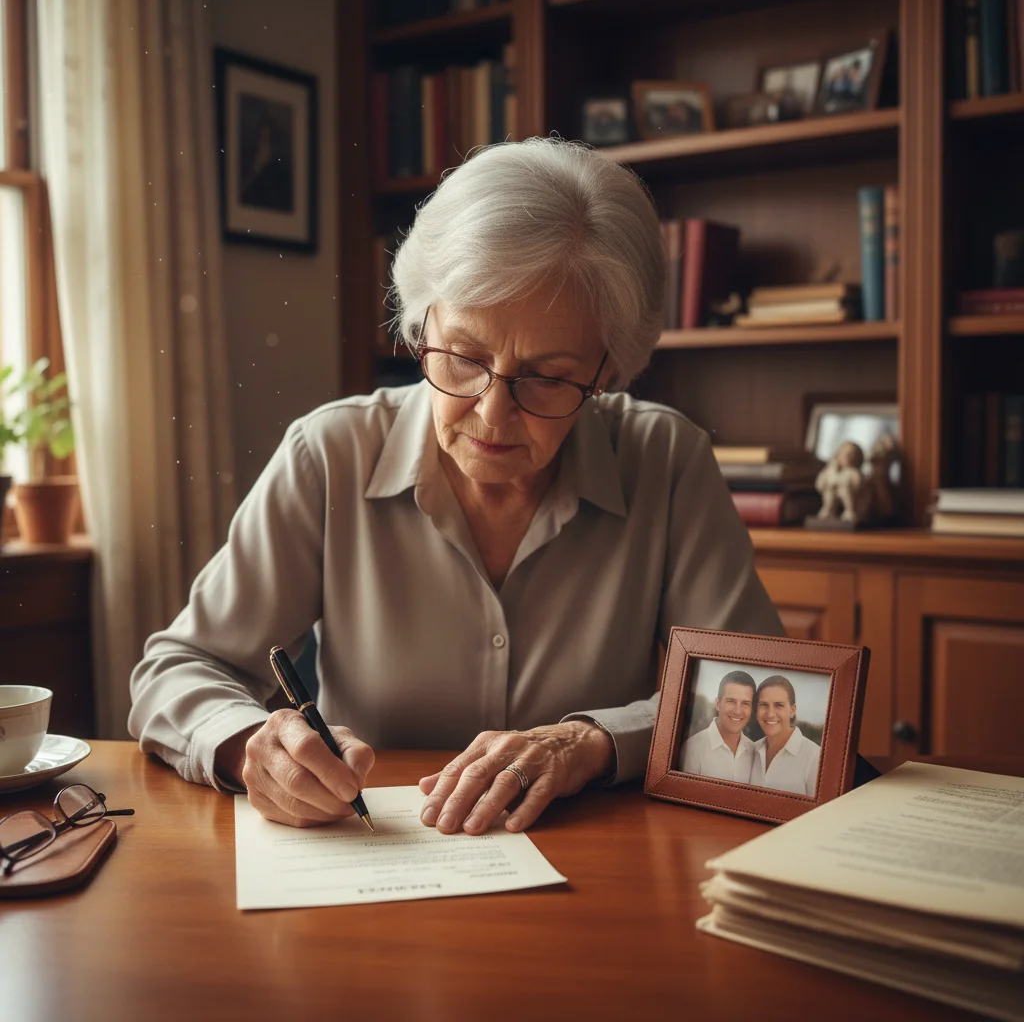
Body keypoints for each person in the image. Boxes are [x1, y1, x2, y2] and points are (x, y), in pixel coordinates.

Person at [128, 137, 783, 836]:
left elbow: (768, 699)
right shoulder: (332, 454)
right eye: (464, 358)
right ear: (421, 325)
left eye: (550, 377)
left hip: (598, 870)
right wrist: (247, 745)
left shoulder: (667, 460)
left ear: (608, 372)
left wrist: (589, 745)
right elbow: (179, 667)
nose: (493, 413)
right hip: (377, 864)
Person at [679, 671, 756, 782]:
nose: (737, 711)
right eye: (731, 701)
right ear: (717, 704)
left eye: (745, 703)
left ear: (751, 709)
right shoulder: (691, 750)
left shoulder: (754, 751)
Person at [749, 676, 820, 796]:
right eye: (763, 705)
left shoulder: (816, 758)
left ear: (792, 710)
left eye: (779, 705)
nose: (770, 714)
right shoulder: (750, 750)